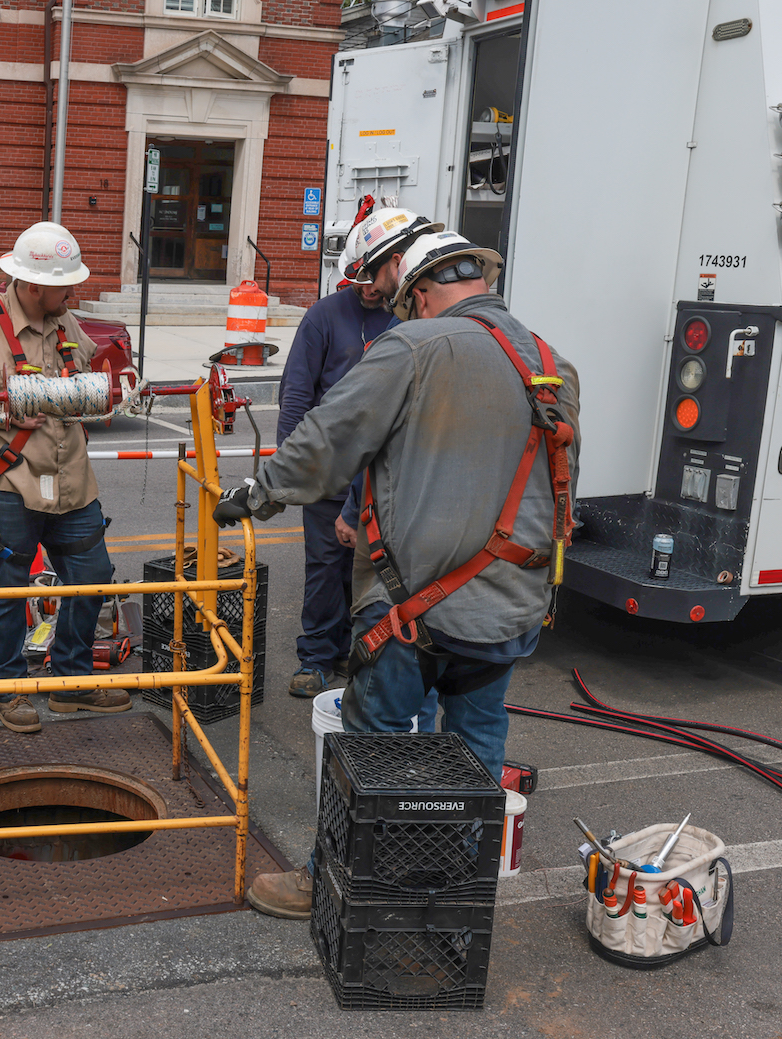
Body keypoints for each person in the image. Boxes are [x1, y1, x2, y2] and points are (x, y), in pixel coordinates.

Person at [214, 232, 579, 918]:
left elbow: (328, 439)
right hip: (506, 610)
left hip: (412, 612)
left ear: (418, 293)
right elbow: (558, 496)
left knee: (372, 751)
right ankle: (448, 894)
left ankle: (338, 881)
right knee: (474, 756)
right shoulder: (552, 364)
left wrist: (258, 494)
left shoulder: (414, 347)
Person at [0, 222, 128, 734]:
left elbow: (82, 373)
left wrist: (99, 388)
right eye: (65, 285)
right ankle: (9, 689)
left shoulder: (66, 324)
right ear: (34, 285)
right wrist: (3, 413)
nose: (72, 293)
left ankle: (72, 681)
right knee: (9, 589)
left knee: (93, 577)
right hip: (11, 482)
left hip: (71, 479)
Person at [276, 208, 435, 698]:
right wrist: (290, 469)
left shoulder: (411, 319)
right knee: (326, 567)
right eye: (359, 278)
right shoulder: (325, 317)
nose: (370, 289)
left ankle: (365, 655)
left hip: (386, 481)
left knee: (379, 571)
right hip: (331, 474)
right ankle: (318, 656)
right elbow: (297, 395)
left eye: (374, 277)